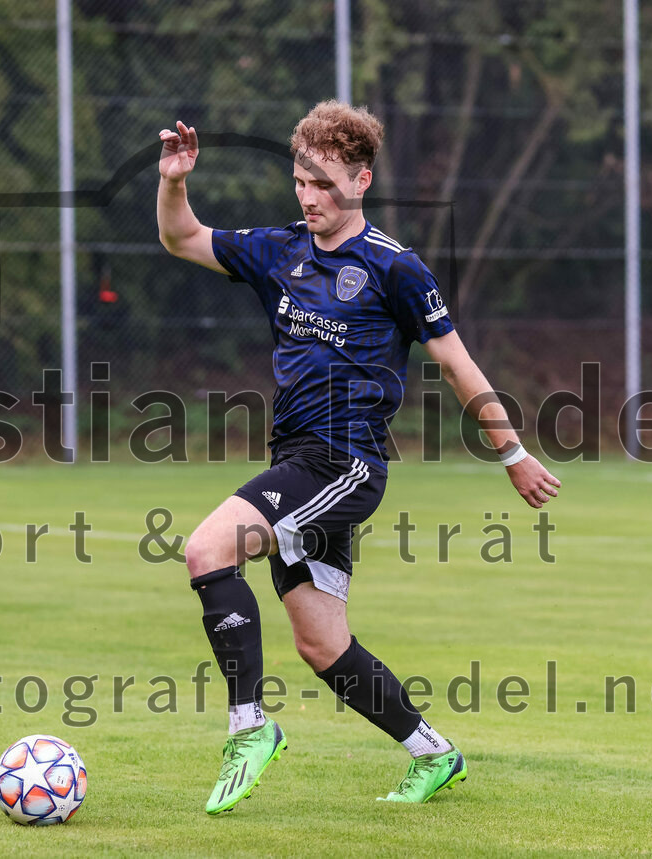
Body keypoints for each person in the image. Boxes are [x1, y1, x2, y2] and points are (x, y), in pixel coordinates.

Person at [156, 100, 561, 814]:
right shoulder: (280, 250)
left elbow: (458, 366)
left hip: (344, 464)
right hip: (299, 460)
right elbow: (182, 238)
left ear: (361, 179)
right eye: (300, 181)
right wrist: (175, 181)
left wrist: (513, 453)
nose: (308, 196)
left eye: (323, 183)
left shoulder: (394, 268)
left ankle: (249, 727)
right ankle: (434, 752)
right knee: (322, 644)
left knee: (206, 549)